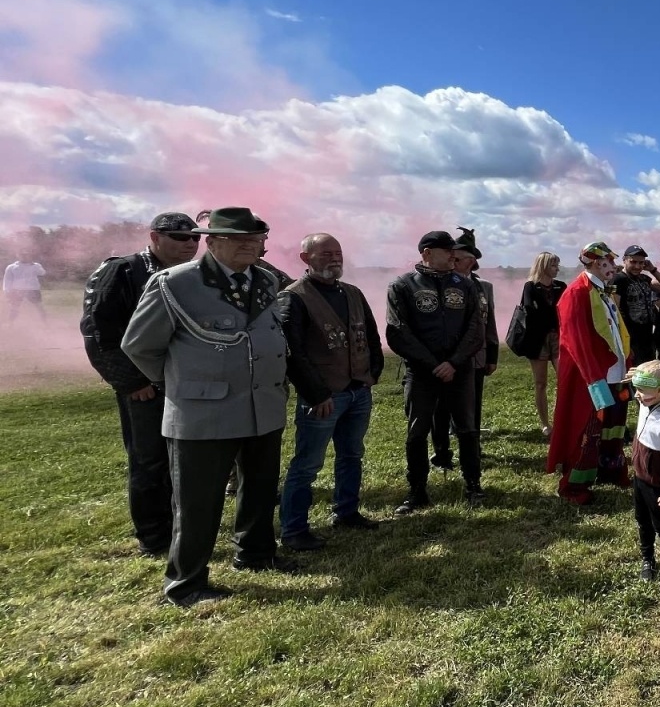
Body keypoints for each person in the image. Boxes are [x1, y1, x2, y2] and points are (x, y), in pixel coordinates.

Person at [120, 206, 290, 607]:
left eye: (256, 238)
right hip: (203, 412)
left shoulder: (265, 280)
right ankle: (186, 583)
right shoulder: (177, 283)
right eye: (238, 238)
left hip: (262, 406)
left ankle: (255, 554)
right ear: (211, 242)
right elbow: (139, 345)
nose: (250, 245)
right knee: (198, 502)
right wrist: (182, 382)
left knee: (260, 489)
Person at [81, 211, 201, 557]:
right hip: (144, 386)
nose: (190, 244)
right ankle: (154, 537)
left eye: (195, 238)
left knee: (184, 459)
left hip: (185, 382)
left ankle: (181, 527)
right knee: (149, 460)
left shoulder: (191, 274)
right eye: (180, 237)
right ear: (155, 237)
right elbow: (98, 331)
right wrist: (131, 382)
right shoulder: (123, 270)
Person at [276, 233, 385, 550]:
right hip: (324, 397)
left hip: (357, 391)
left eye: (337, 253)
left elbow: (372, 336)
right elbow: (292, 353)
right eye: (325, 254)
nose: (334, 259)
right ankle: (294, 530)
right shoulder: (293, 297)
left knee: (352, 455)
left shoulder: (353, 293)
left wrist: (371, 374)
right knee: (307, 465)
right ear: (305, 258)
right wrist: (316, 394)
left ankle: (347, 512)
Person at [386, 230, 486, 513]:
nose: (454, 255)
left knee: (467, 428)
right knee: (417, 431)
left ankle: (473, 486)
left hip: (459, 371)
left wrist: (453, 362)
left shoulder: (465, 285)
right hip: (421, 373)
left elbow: (475, 329)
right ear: (427, 254)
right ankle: (417, 491)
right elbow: (398, 331)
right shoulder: (403, 286)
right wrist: (432, 364)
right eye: (447, 251)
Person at [547, 241, 631, 505]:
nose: (614, 266)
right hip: (593, 377)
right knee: (588, 430)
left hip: (615, 372)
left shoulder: (603, 291)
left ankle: (610, 470)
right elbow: (576, 341)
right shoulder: (576, 292)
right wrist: (594, 379)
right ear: (596, 262)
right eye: (609, 262)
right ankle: (575, 484)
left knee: (614, 426)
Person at [431, 228, 498, 471]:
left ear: (470, 261)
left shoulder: (484, 287)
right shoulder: (436, 283)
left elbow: (489, 323)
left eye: (458, 257)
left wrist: (492, 355)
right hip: (443, 358)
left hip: (475, 357)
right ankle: (442, 454)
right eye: (452, 256)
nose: (453, 260)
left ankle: (472, 450)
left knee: (472, 407)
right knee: (440, 409)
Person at [627, 360, 660, 590]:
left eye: (641, 390)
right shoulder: (646, 402)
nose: (636, 395)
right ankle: (647, 558)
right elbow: (640, 388)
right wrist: (638, 375)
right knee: (642, 520)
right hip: (640, 477)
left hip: (657, 484)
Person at [518, 252, 566, 434]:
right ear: (544, 266)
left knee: (565, 380)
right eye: (553, 265)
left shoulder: (561, 286)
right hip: (537, 340)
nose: (557, 269)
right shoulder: (530, 286)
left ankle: (562, 419)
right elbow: (529, 309)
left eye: (557, 265)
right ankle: (545, 423)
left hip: (558, 337)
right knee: (540, 382)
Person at [615, 245, 660, 368]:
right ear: (624, 260)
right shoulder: (619, 280)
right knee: (635, 372)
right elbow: (615, 311)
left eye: (641, 263)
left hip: (648, 336)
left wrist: (653, 270)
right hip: (631, 338)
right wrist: (624, 341)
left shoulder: (644, 279)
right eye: (633, 262)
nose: (637, 266)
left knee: (648, 371)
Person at [3, 255, 47, 324]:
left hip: (33, 289)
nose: (25, 257)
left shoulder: (36, 265)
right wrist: (7, 290)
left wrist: (34, 266)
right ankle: (10, 324)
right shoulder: (12, 267)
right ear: (19, 256)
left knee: (39, 307)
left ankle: (45, 323)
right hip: (17, 290)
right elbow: (7, 279)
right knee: (14, 308)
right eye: (23, 255)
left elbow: (42, 273)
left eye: (27, 255)